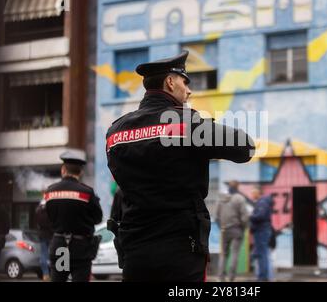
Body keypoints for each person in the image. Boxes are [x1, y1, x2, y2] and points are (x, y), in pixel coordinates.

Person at [105, 51, 255, 282]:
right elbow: (245, 147)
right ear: (170, 81)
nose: (189, 90)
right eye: (185, 82)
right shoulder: (186, 123)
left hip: (134, 250)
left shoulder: (116, 131)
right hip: (180, 250)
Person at [44, 150, 103, 282]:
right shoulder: (87, 193)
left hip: (60, 247)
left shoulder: (50, 192)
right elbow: (98, 218)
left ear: (63, 169)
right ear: (80, 172)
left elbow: (46, 218)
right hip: (80, 249)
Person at [215, 180, 249, 282]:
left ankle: (220, 277)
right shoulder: (239, 198)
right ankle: (231, 278)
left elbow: (216, 217)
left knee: (223, 254)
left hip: (224, 230)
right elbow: (245, 217)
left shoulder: (220, 199)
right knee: (234, 254)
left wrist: (222, 227)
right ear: (237, 187)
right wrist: (243, 228)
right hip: (237, 229)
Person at [249, 187, 273, 281]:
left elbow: (261, 216)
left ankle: (263, 277)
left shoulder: (262, 202)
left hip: (261, 231)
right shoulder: (262, 202)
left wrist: (250, 216)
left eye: (252, 193)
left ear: (257, 193)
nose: (251, 195)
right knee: (260, 253)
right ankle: (263, 276)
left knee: (262, 254)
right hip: (260, 230)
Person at [35, 199, 53, 281]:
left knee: (43, 255)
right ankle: (52, 273)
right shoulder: (50, 211)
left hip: (42, 236)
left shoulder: (38, 212)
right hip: (50, 235)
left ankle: (45, 274)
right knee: (52, 255)